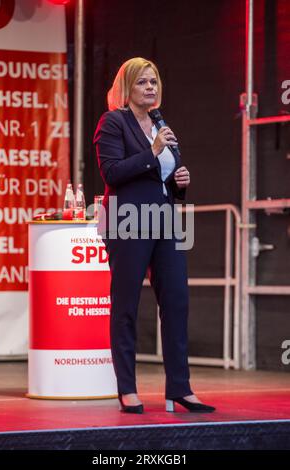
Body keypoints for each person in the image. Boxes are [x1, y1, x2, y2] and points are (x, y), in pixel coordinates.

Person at [93, 57, 215, 414]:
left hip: (165, 221)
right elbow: (112, 172)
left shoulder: (160, 124)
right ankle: (127, 389)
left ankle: (180, 387)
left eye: (154, 82)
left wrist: (179, 184)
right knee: (127, 305)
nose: (150, 88)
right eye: (143, 83)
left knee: (177, 300)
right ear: (126, 89)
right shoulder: (113, 122)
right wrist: (154, 152)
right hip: (127, 221)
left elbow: (163, 178)